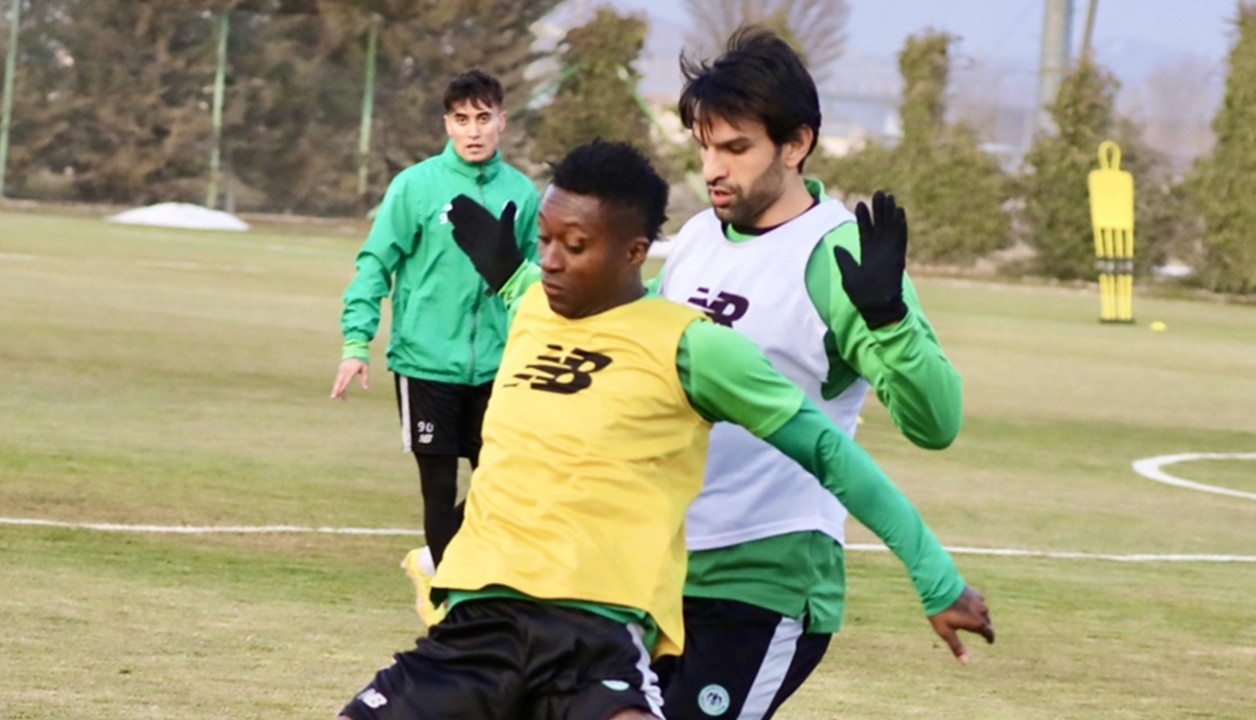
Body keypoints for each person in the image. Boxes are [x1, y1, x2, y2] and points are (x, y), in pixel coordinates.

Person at [336, 140, 992, 720]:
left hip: (596, 637)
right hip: (477, 627)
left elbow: (829, 451)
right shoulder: (534, 303)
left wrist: (936, 579)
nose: (553, 260)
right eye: (546, 240)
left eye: (574, 245)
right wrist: (510, 272)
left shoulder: (693, 345)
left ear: (634, 251)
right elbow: (550, 301)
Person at [652, 27, 973, 719]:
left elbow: (937, 422)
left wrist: (890, 320)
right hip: (659, 564)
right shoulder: (697, 238)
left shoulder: (839, 257)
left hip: (766, 574)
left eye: (736, 148)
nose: (713, 168)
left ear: (796, 143)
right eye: (705, 147)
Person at [329, 69, 540, 571]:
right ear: (447, 124)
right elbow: (375, 264)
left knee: (504, 483)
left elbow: (537, 286)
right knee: (439, 491)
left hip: (499, 367)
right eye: (461, 119)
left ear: (502, 121)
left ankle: (446, 573)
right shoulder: (415, 187)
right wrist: (356, 343)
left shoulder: (524, 194)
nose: (473, 130)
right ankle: (449, 597)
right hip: (425, 364)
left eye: (483, 118)